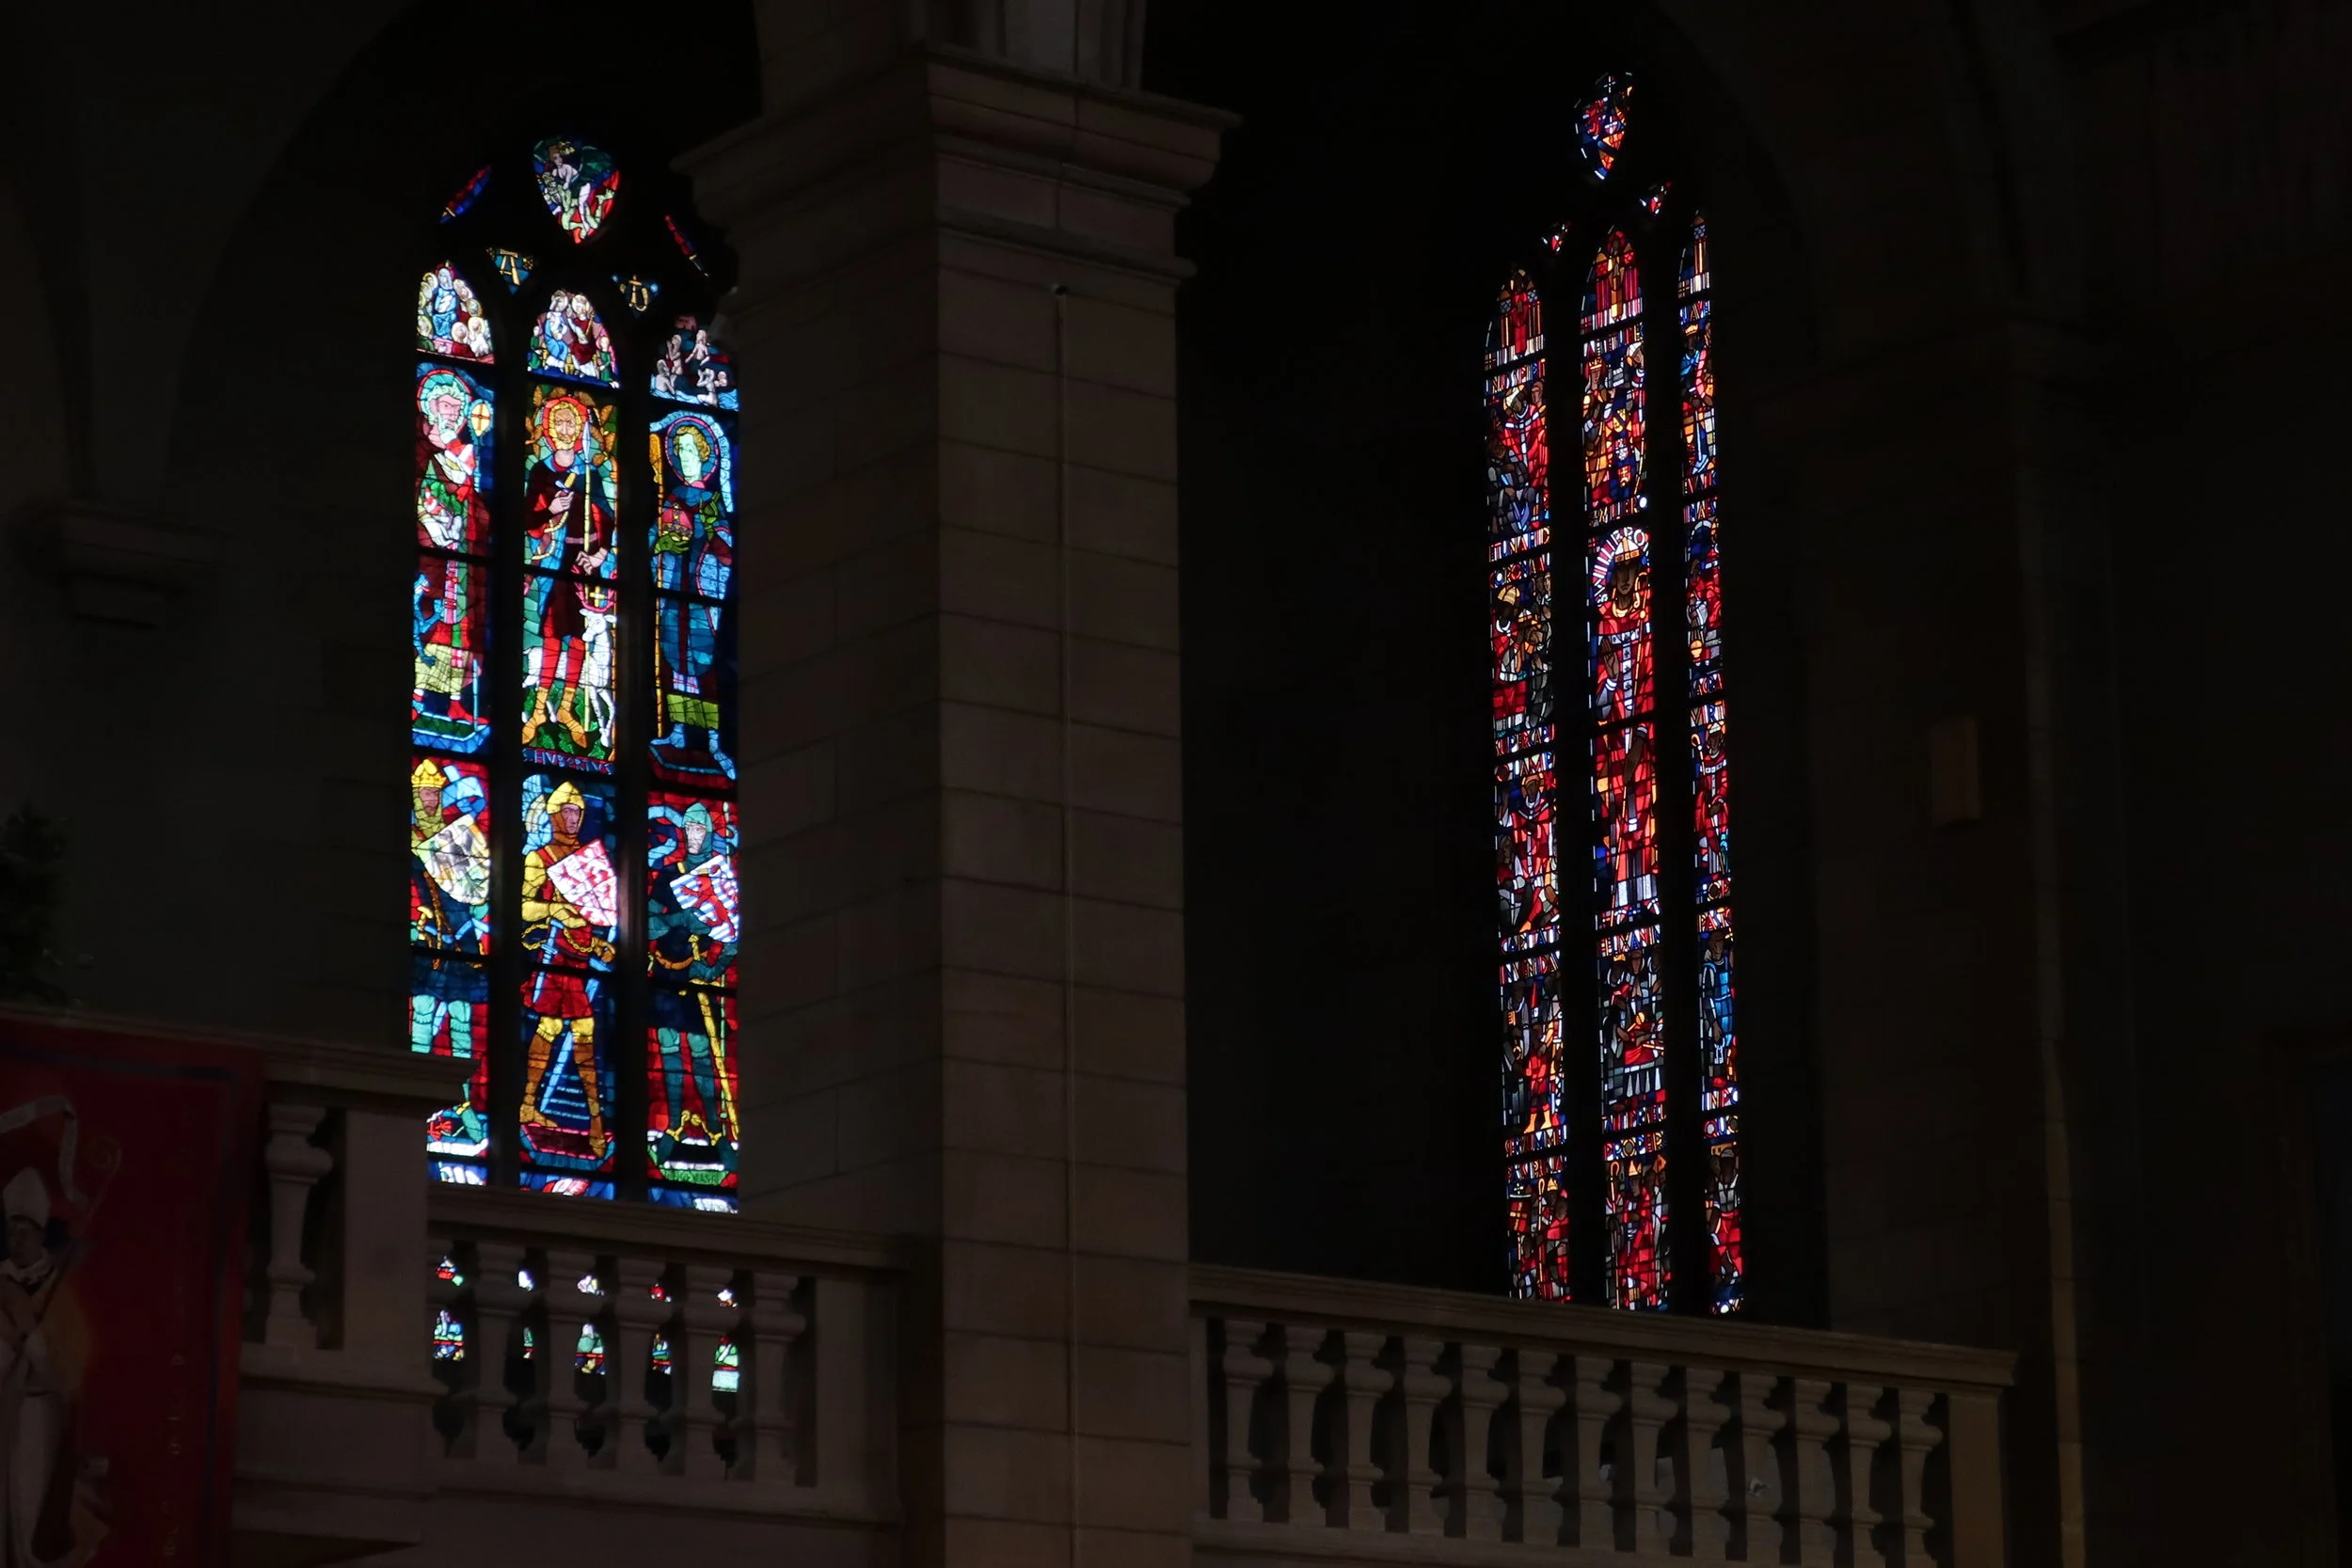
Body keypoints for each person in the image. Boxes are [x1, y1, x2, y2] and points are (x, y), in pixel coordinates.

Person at [0, 1164, 91, 1567]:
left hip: (37, 1416)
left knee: (28, 1508)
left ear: (40, 1234)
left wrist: (29, 1332)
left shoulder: (59, 1293)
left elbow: (68, 1371)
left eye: (25, 1231)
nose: (16, 1239)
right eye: (10, 1230)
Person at [519, 782, 615, 1158]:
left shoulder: (592, 860)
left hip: (582, 957)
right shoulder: (539, 858)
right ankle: (552, 1110)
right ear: (554, 815)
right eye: (566, 812)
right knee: (562, 1029)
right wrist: (553, 911)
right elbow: (523, 906)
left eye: (578, 812)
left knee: (570, 1030)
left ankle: (584, 1116)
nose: (573, 819)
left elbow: (602, 913)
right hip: (555, 957)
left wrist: (602, 947)